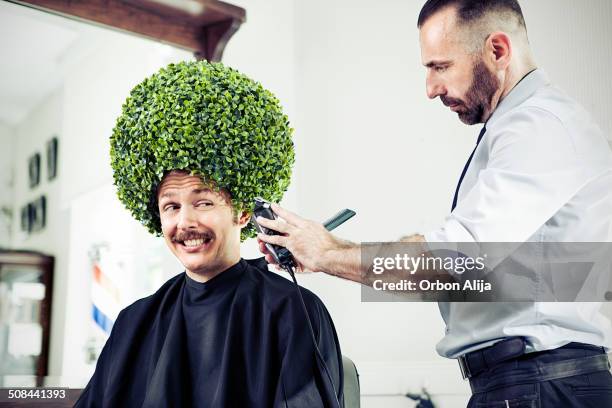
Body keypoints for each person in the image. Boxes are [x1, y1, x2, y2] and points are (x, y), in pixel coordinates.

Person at [257, 0, 612, 406]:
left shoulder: (540, 128)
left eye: (440, 66)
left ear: (497, 50)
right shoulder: (524, 129)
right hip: (527, 383)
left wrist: (325, 254)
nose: (430, 89)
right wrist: (327, 251)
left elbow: (456, 262)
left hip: (540, 385)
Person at [75, 61, 343, 408]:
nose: (185, 222)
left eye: (202, 202)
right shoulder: (134, 323)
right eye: (171, 206)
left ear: (243, 211)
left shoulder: (291, 311)